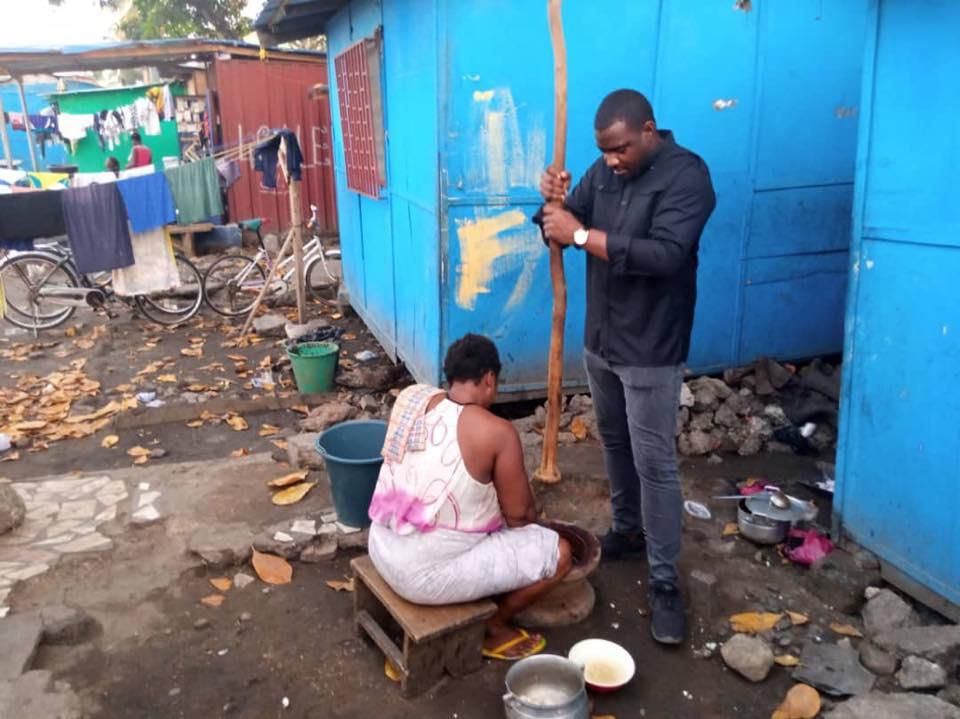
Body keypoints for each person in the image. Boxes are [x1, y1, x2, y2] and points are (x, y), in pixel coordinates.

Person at [536, 89, 716, 645]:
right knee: (613, 443)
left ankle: (664, 582)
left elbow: (666, 255)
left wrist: (582, 233)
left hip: (652, 347)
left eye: (618, 150)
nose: (610, 161)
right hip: (602, 340)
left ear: (648, 130)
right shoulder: (602, 171)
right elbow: (556, 226)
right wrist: (549, 205)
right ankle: (625, 530)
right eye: (603, 152)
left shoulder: (688, 177)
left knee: (655, 462)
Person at [368, 334, 573, 661]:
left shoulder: (413, 397)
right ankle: (495, 623)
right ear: (490, 379)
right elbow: (519, 517)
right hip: (419, 578)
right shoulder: (496, 431)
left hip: (381, 544)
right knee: (560, 552)